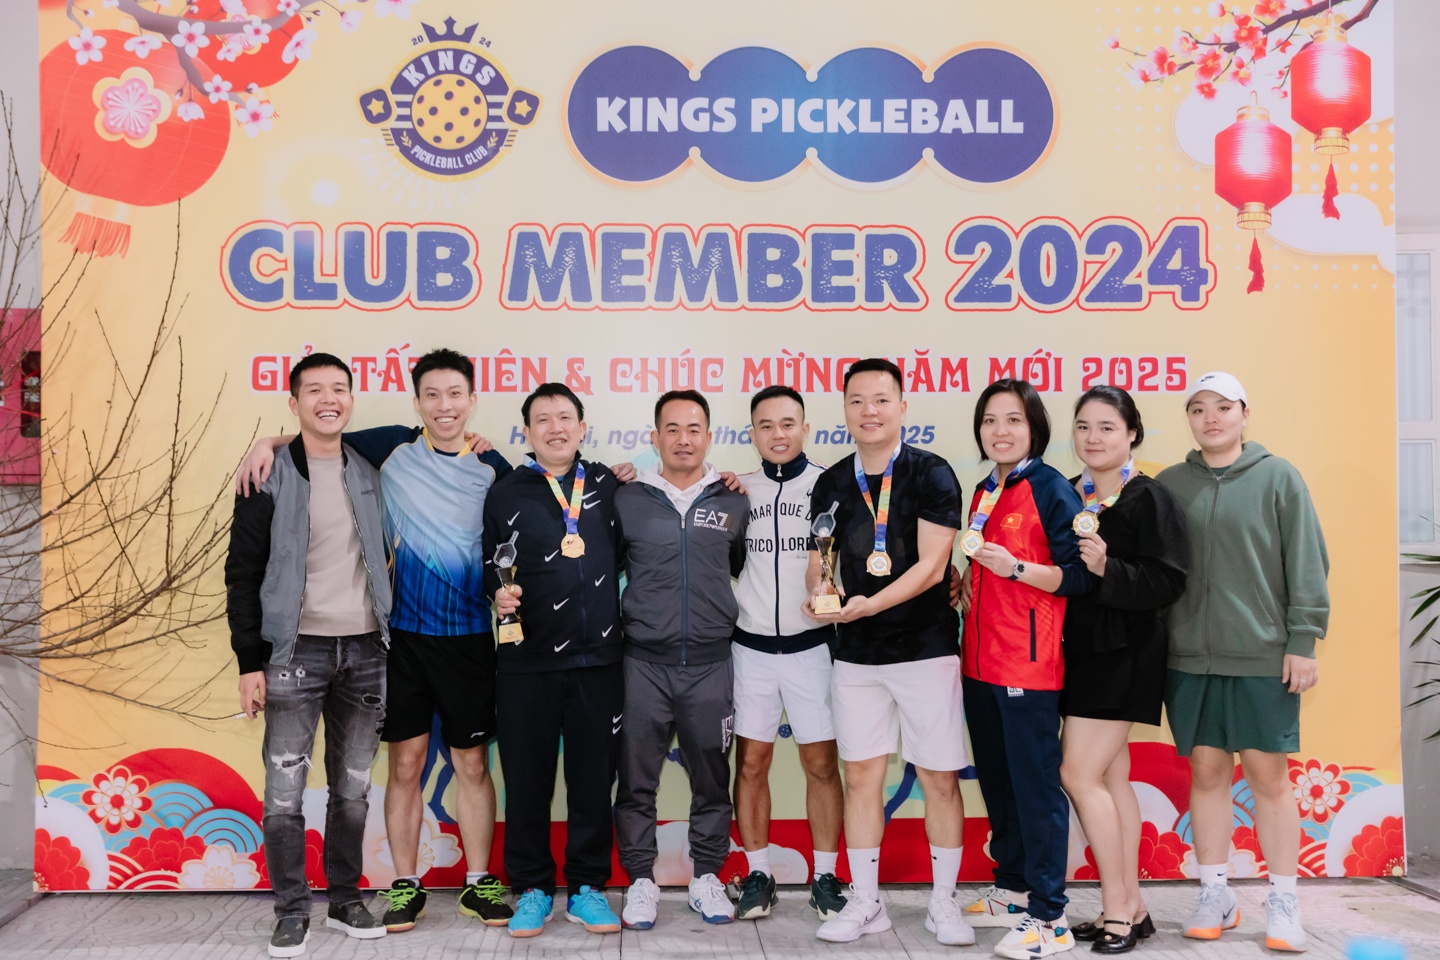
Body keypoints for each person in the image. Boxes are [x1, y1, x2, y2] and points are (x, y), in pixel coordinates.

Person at [236, 348, 515, 931]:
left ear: (472, 400)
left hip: (468, 639)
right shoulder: (390, 447)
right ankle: (405, 885)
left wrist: (613, 476)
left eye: (455, 394)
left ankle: (478, 883)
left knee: (471, 764)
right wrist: (266, 441)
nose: (444, 405)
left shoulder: (493, 465)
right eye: (432, 395)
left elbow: (541, 499)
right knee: (405, 763)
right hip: (401, 640)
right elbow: (320, 433)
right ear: (416, 403)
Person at [226, 352, 391, 958]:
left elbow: (429, 431)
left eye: (339, 388)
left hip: (367, 648)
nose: (329, 399)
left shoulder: (370, 462)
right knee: (285, 789)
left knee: (352, 787)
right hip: (294, 651)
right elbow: (242, 573)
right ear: (293, 402)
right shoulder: (267, 475)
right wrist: (250, 662)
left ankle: (346, 899)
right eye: (314, 390)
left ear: (352, 399)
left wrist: (480, 444)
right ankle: (292, 909)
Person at [1157, 371, 1329, 954]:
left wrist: (1303, 640)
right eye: (1198, 408)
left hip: (1261, 655)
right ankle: (1215, 894)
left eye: (1223, 407)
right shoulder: (1171, 484)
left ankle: (1283, 901)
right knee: (1206, 772)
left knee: (1267, 777)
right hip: (1189, 658)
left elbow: (1307, 560)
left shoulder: (1279, 477)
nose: (1211, 418)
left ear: (1244, 414)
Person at [803, 358, 971, 947]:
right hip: (855, 656)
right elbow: (819, 562)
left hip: (925, 650)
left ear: (902, 406)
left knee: (940, 777)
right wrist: (818, 594)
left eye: (880, 400)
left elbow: (932, 567)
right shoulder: (831, 481)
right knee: (861, 778)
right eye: (856, 401)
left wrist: (868, 605)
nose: (868, 411)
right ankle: (867, 902)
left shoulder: (931, 472)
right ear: (844, 409)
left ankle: (944, 902)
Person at [482, 383, 626, 938]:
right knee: (526, 783)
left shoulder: (610, 486)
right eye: (542, 419)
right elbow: (486, 564)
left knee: (593, 782)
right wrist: (496, 593)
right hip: (525, 664)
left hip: (599, 662)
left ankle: (587, 887)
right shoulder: (504, 492)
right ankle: (533, 889)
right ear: (527, 431)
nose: (555, 427)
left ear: (583, 428)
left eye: (565, 417)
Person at [957, 378, 1091, 960]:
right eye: (990, 420)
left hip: (1028, 665)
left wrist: (1014, 568)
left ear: (1035, 426)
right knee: (999, 782)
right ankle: (1012, 889)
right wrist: (967, 584)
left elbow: (1079, 576)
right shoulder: (985, 489)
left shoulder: (1052, 489)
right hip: (978, 663)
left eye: (1013, 419)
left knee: (1036, 790)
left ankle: (1050, 916)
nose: (1000, 431)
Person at [1057, 386, 1188, 955]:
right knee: (1110, 778)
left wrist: (1110, 567)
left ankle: (1116, 910)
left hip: (1124, 653)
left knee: (1078, 774)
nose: (1094, 438)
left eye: (1107, 427)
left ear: (1132, 433)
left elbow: (1170, 580)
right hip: (1077, 652)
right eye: (1084, 427)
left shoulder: (1149, 497)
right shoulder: (1068, 492)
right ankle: (1132, 905)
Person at [614, 389, 748, 929]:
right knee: (635, 780)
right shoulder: (626, 497)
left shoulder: (734, 499)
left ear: (709, 437)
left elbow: (739, 565)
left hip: (712, 664)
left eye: (694, 429)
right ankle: (640, 880)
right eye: (672, 429)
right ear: (655, 438)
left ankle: (707, 876)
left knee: (712, 781)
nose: (683, 439)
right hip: (642, 664)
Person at [730, 385, 846, 922]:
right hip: (749, 648)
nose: (778, 434)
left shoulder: (832, 485)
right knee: (751, 762)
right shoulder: (737, 490)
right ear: (752, 433)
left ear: (806, 428)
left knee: (820, 764)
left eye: (788, 423)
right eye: (766, 425)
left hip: (812, 647)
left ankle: (826, 876)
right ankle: (758, 874)